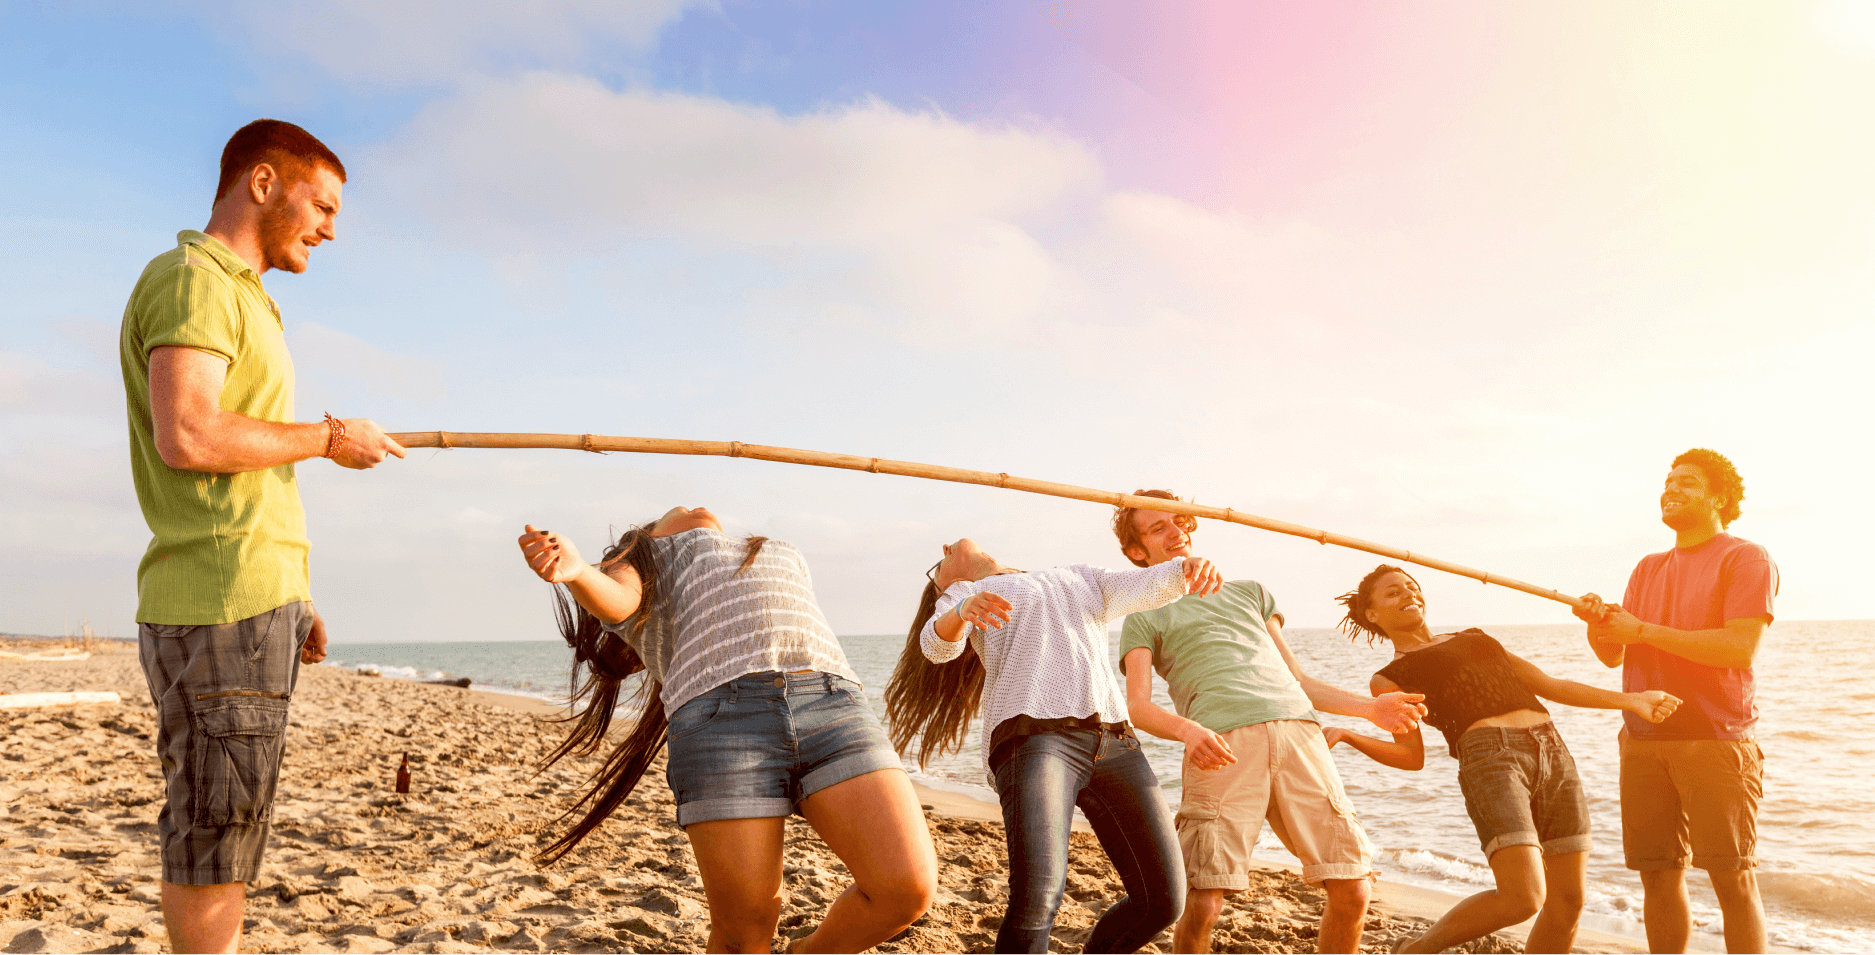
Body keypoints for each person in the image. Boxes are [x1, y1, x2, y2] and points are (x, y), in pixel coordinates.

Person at [119, 118, 404, 955]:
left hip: (251, 595)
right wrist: (328, 437)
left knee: (227, 823)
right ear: (264, 183)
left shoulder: (244, 297)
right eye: (321, 204)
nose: (331, 227)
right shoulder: (194, 280)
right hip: (218, 599)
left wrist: (294, 593)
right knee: (216, 832)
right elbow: (193, 435)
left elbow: (244, 466)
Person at [519, 507, 936, 954]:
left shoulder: (779, 550)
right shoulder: (647, 557)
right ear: (643, 537)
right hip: (722, 723)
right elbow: (620, 601)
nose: (686, 506)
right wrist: (580, 571)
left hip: (833, 703)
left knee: (906, 889)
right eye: (667, 513)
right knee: (744, 933)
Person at [1112, 490, 1427, 955]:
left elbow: (1299, 679)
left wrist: (1370, 708)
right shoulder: (1143, 612)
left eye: (1179, 520)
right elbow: (1136, 706)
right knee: (1203, 902)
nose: (1175, 531)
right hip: (1222, 745)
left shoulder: (1250, 593)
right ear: (1138, 551)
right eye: (1157, 528)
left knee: (1353, 889)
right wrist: (1189, 731)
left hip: (1300, 736)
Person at [885, 537, 1223, 953]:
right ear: (944, 582)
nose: (945, 546)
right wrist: (959, 612)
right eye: (938, 561)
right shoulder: (964, 594)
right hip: (1035, 742)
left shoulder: (1078, 577)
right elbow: (936, 646)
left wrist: (1187, 568)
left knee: (1165, 900)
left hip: (1115, 742)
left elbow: (1149, 585)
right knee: (1038, 897)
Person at [1329, 564, 1681, 955]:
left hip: (1553, 751)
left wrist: (1632, 701)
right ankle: (1417, 951)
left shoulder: (1476, 638)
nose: (1409, 594)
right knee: (1524, 897)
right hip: (1490, 760)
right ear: (1371, 614)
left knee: (1569, 901)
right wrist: (1348, 735)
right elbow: (1412, 757)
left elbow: (1551, 686)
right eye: (1393, 592)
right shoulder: (1390, 677)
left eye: (1412, 587)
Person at [1575, 448, 1778, 955]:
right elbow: (1612, 654)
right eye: (1668, 481)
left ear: (1719, 497)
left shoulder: (1745, 557)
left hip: (1715, 737)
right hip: (1642, 738)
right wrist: (1599, 626)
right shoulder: (1647, 567)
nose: (1671, 489)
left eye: (1686, 482)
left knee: (1732, 879)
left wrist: (1640, 628)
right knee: (1658, 877)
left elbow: (1739, 646)